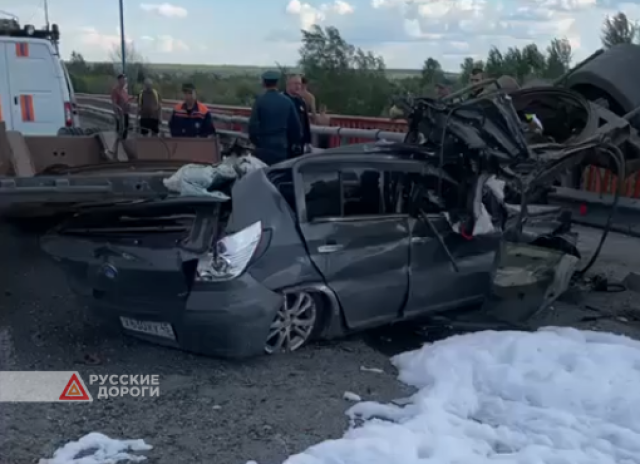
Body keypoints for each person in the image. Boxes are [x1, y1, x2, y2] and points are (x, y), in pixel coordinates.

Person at [248, 70, 302, 166]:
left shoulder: (259, 101)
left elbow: (252, 126)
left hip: (264, 147)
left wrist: (257, 143)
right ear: (277, 83)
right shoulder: (287, 101)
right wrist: (291, 143)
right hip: (282, 146)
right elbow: (296, 128)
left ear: (264, 83)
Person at [284, 74, 312, 156]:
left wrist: (308, 141)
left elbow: (305, 122)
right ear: (288, 85)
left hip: (300, 144)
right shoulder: (282, 101)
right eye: (295, 83)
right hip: (286, 143)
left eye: (299, 84)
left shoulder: (301, 101)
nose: (298, 86)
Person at [111, 74, 130, 139]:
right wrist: (117, 114)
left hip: (126, 113)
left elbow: (127, 101)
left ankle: (124, 143)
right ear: (119, 81)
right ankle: (118, 144)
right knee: (120, 131)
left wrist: (128, 105)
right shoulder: (115, 90)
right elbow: (114, 103)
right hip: (120, 114)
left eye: (125, 80)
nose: (124, 82)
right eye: (123, 80)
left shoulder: (124, 91)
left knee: (126, 130)